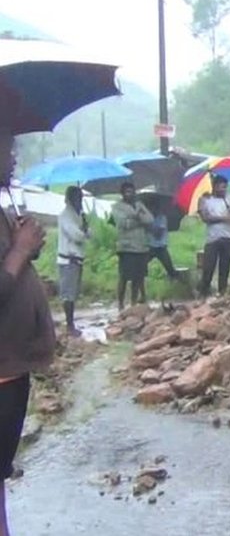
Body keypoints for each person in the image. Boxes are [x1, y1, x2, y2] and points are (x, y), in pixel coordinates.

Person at [0, 129, 55, 536]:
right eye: (7, 147)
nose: (14, 156)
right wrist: (19, 250)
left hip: (11, 369)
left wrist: (25, 246)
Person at [111, 182, 154, 311]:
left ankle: (133, 303)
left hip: (141, 246)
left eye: (131, 191)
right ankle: (120, 304)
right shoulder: (117, 207)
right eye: (127, 192)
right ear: (122, 193)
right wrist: (138, 217)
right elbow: (123, 224)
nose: (129, 194)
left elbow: (150, 220)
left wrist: (136, 217)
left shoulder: (139, 204)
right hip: (126, 247)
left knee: (138, 277)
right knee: (124, 277)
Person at [197, 175, 230, 297]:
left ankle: (222, 291)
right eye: (221, 187)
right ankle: (204, 291)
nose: (223, 190)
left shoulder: (229, 198)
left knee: (225, 268)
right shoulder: (205, 200)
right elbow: (205, 218)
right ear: (214, 186)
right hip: (213, 238)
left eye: (225, 187)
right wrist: (224, 218)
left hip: (229, 237)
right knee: (208, 267)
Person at [57, 186, 89, 337]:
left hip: (76, 258)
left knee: (73, 293)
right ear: (70, 199)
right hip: (68, 259)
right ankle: (70, 325)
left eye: (81, 198)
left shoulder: (79, 215)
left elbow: (88, 234)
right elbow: (76, 235)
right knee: (68, 294)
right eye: (77, 198)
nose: (80, 201)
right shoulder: (65, 216)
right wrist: (83, 231)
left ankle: (71, 324)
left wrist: (85, 228)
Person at [145, 196, 180, 280]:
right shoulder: (146, 218)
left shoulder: (162, 217)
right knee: (140, 267)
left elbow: (158, 234)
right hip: (150, 246)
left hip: (161, 247)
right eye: (151, 208)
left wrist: (149, 227)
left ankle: (176, 280)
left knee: (170, 268)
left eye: (155, 208)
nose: (153, 210)